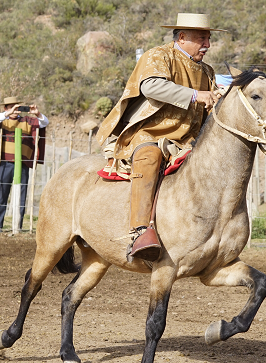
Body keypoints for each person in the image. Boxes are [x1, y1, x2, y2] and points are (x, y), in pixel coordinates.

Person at [95, 13, 224, 261]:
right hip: (150, 132)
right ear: (182, 37)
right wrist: (197, 95)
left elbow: (207, 105)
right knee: (149, 156)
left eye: (208, 39)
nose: (207, 45)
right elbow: (150, 86)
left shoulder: (207, 70)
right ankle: (140, 231)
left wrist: (216, 98)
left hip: (187, 139)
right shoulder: (158, 55)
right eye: (202, 39)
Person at [0, 96, 49, 232]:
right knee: (2, 194)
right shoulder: (2, 120)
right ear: (6, 108)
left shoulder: (28, 121)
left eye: (17, 107)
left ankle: (18, 225)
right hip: (6, 163)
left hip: (23, 163)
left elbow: (44, 123)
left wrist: (37, 113)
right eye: (11, 107)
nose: (15, 110)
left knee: (21, 195)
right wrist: (7, 114)